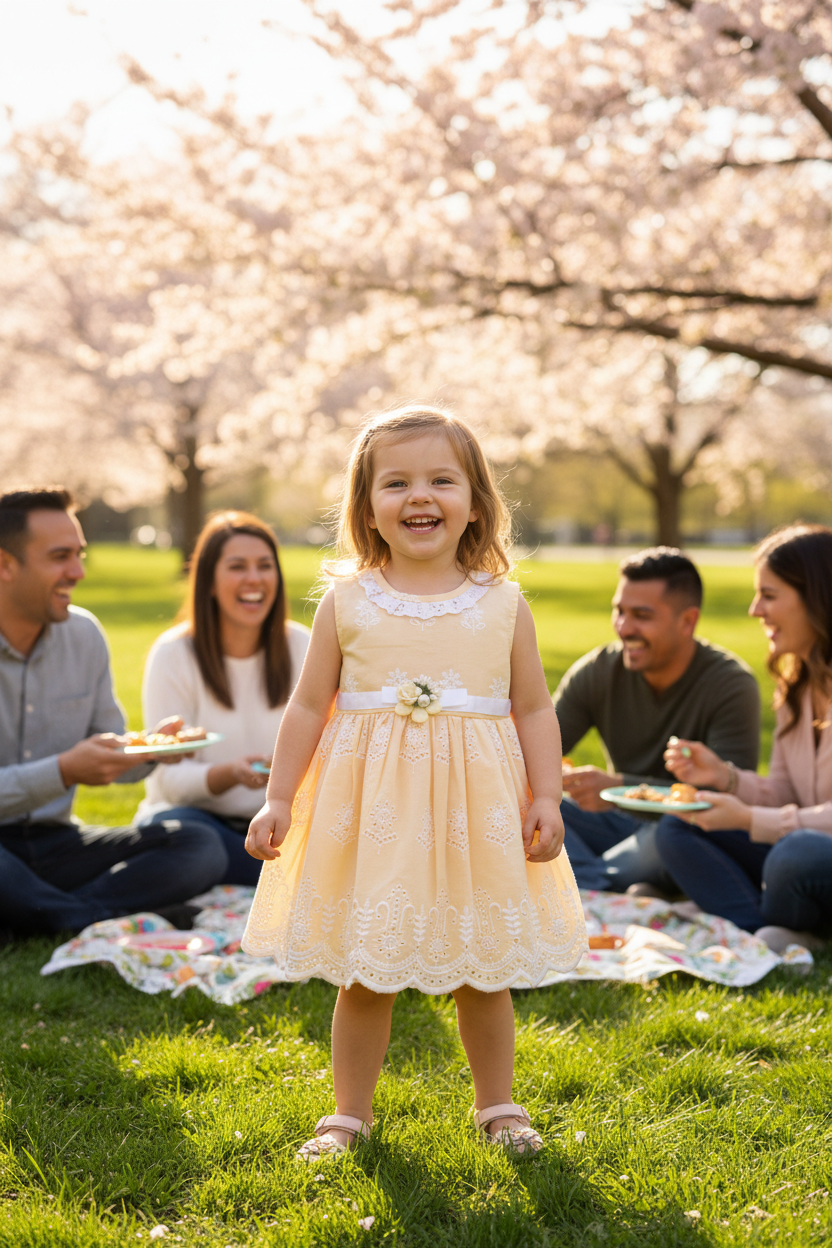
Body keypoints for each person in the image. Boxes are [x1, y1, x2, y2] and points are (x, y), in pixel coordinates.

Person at [242, 405, 585, 1160]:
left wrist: (544, 795)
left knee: (479, 968)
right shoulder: (349, 600)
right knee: (369, 969)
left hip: (475, 813)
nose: (418, 496)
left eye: (440, 480)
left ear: (474, 502)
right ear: (367, 506)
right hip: (378, 814)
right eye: (395, 482)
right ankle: (348, 1113)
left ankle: (497, 1103)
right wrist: (279, 797)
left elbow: (532, 707)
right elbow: (308, 706)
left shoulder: (501, 603)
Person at [0, 487, 228, 937]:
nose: (78, 572)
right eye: (60, 557)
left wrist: (145, 751)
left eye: (80, 555)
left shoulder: (83, 635)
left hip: (57, 844)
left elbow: (112, 755)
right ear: (5, 565)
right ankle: (78, 915)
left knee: (199, 844)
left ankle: (44, 913)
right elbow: (72, 767)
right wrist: (64, 770)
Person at [658, 524, 832, 951]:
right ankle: (764, 930)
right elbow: (788, 792)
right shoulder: (797, 690)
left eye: (769, 595)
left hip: (810, 857)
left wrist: (748, 820)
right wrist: (725, 778)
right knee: (679, 826)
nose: (756, 610)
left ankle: (735, 914)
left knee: (795, 855)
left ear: (817, 597)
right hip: (800, 851)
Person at [552, 547, 761, 893]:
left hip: (683, 831)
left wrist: (617, 789)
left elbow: (724, 804)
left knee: (667, 838)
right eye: (619, 611)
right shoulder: (598, 671)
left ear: (687, 622)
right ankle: (606, 884)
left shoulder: (731, 685)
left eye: (641, 615)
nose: (624, 627)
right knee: (526, 799)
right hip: (612, 823)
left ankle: (586, 886)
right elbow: (536, 749)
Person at [137, 511, 310, 885]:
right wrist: (228, 775)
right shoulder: (173, 654)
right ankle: (272, 878)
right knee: (195, 844)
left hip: (278, 823)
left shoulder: (304, 646)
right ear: (209, 582)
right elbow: (167, 781)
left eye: (265, 566)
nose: (254, 578)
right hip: (196, 821)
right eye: (237, 566)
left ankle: (266, 875)